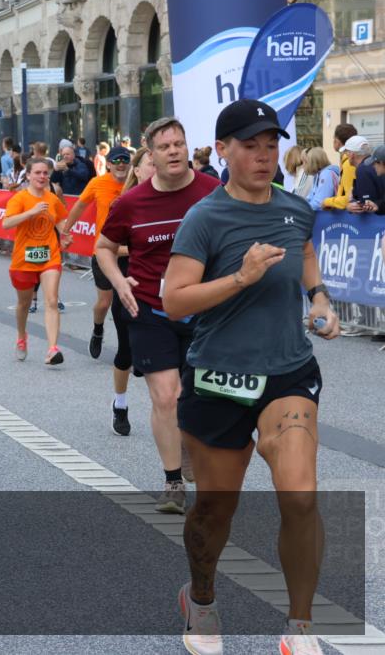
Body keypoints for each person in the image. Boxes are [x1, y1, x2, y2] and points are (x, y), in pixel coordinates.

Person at [163, 97, 340, 655]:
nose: (264, 156)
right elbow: (174, 301)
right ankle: (203, 600)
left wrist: (320, 298)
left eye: (272, 145)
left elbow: (305, 253)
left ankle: (299, 630)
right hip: (218, 377)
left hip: (288, 371)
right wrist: (239, 278)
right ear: (222, 150)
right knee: (217, 507)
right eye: (250, 146)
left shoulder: (294, 208)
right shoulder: (205, 217)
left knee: (300, 493)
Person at [96, 116, 221, 513]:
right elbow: (102, 247)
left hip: (203, 308)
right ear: (150, 154)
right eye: (165, 147)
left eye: (179, 145)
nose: (173, 152)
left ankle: (189, 440)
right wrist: (119, 281)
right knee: (166, 396)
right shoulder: (131, 203)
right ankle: (172, 484)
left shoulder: (213, 192)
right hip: (150, 306)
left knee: (198, 398)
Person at [61, 146, 133, 433]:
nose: (120, 165)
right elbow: (79, 206)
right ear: (108, 165)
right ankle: (98, 328)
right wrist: (67, 229)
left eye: (125, 161)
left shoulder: (137, 185)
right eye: (115, 161)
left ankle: (130, 351)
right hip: (107, 254)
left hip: (133, 256)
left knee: (126, 305)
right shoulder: (97, 183)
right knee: (104, 303)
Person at [3, 157, 69, 365]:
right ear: (29, 175)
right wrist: (30, 212)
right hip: (23, 260)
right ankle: (22, 336)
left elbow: (60, 220)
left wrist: (65, 235)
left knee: (51, 300)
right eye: (38, 173)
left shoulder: (52, 198)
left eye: (45, 173)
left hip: (50, 256)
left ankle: (52, 349)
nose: (42, 176)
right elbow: (6, 223)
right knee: (23, 304)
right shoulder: (19, 199)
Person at [340, 135, 385, 214]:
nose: (346, 155)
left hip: (375, 223)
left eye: (346, 152)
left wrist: (350, 205)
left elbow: (366, 204)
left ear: (352, 154)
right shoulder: (371, 164)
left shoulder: (362, 169)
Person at [322, 123, 358, 210]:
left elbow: (348, 199)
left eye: (334, 138)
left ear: (337, 141)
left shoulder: (349, 164)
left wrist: (326, 202)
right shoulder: (347, 161)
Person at [303, 147, 339, 212]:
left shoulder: (326, 174)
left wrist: (302, 209)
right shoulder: (318, 175)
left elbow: (320, 202)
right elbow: (310, 197)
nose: (304, 165)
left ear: (313, 162)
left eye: (306, 162)